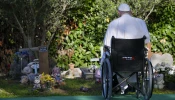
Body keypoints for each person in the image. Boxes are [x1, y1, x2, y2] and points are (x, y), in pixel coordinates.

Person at [100, 3, 151, 94]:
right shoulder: (140, 22)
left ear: (119, 12)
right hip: (136, 60)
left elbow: (106, 44)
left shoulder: (113, 23)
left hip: (118, 60)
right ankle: (131, 85)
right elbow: (147, 41)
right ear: (130, 12)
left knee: (105, 55)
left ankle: (118, 85)